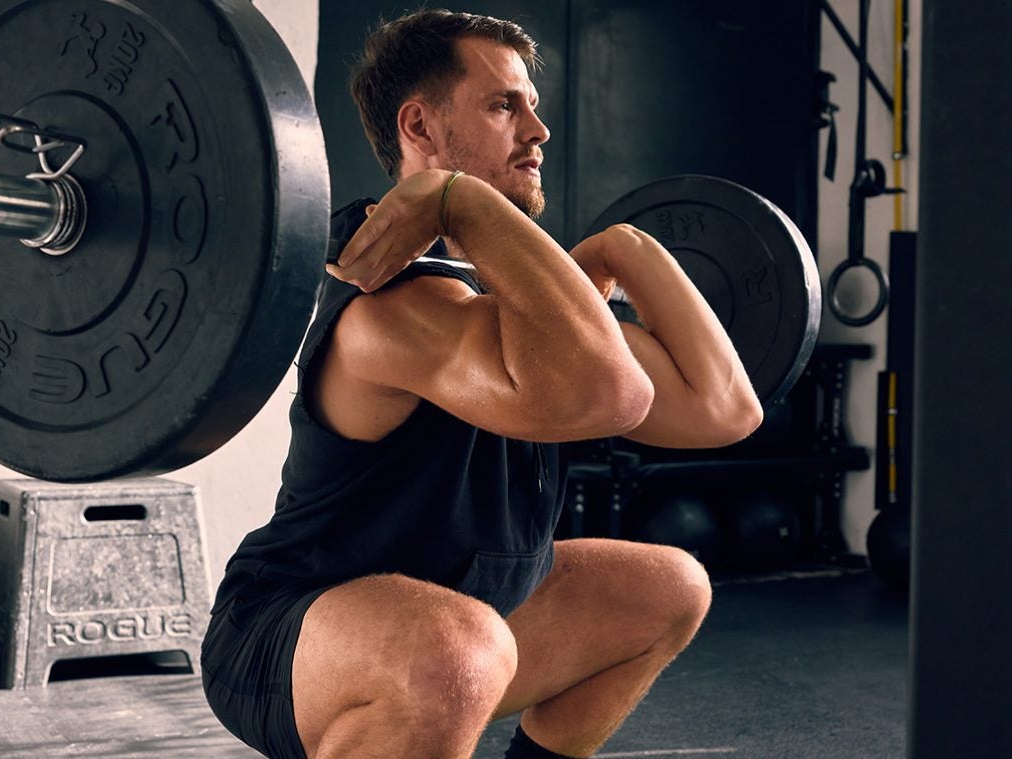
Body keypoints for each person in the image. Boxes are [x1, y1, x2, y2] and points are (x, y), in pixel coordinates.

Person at [201, 9, 762, 759]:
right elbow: (610, 395)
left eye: (532, 105)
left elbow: (724, 409)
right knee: (456, 648)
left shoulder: (524, 309)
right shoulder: (392, 309)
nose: (538, 130)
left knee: (668, 587)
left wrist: (629, 246)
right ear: (421, 126)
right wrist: (459, 200)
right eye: (504, 105)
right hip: (289, 635)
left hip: (468, 613)